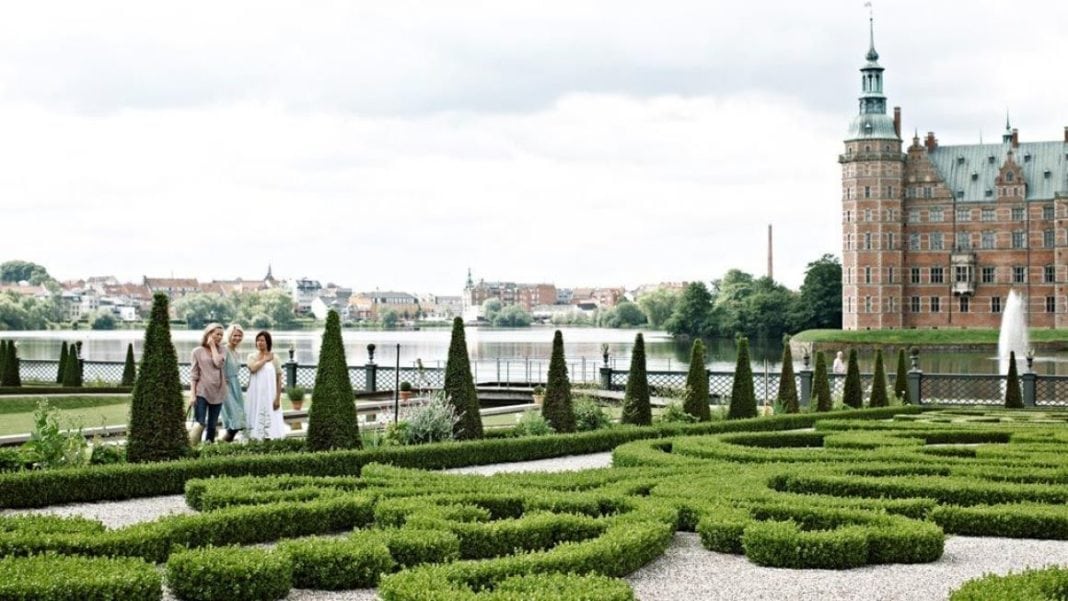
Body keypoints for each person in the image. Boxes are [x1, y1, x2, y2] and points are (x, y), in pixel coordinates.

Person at [189, 323, 227, 445]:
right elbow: (194, 374)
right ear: (209, 334)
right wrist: (192, 394)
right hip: (202, 392)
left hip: (218, 392)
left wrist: (212, 346)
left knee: (212, 425)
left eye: (221, 335)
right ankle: (194, 448)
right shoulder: (197, 351)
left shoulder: (223, 350)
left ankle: (208, 450)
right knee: (200, 423)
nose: (220, 337)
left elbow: (218, 363)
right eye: (217, 334)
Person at [246, 330, 284, 440]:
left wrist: (277, 398)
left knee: (271, 415)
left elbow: (279, 378)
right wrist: (265, 359)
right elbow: (253, 368)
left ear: (268, 342)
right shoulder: (251, 356)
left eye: (262, 340)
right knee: (254, 414)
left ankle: (271, 439)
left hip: (270, 394)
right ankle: (254, 438)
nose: (259, 343)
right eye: (257, 340)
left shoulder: (275, 358)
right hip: (255, 394)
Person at [220, 324, 248, 442]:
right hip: (226, 387)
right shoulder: (223, 349)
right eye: (235, 335)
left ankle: (223, 446)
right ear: (229, 335)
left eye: (239, 335)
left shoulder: (236, 352)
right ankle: (221, 445)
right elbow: (215, 365)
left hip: (236, 386)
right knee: (235, 418)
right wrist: (220, 378)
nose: (237, 338)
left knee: (240, 418)